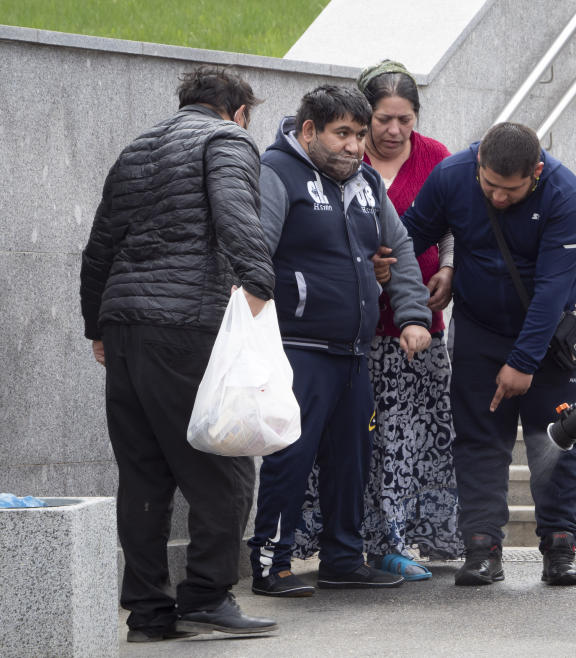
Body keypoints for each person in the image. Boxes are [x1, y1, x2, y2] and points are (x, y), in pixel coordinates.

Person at [79, 67, 278, 642]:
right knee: (226, 461)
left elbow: (99, 247)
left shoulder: (137, 148)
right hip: (184, 325)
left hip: (125, 327)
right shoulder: (227, 140)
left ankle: (147, 613)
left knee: (144, 476)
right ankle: (207, 596)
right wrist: (259, 284)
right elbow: (236, 212)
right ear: (239, 111)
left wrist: (98, 323)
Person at [247, 85, 433, 596]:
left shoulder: (367, 180)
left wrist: (414, 314)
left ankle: (343, 560)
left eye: (358, 134)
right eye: (342, 134)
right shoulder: (276, 173)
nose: (355, 146)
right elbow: (254, 253)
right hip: (298, 350)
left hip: (354, 351)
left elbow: (399, 247)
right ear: (310, 132)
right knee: (291, 458)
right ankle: (271, 564)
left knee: (352, 458)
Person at [292, 61, 462, 582]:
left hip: (417, 329)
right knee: (355, 442)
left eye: (404, 120)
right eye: (383, 119)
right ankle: (342, 543)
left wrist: (450, 267)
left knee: (408, 440)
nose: (392, 132)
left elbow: (454, 224)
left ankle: (394, 541)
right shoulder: (342, 155)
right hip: (357, 330)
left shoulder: (436, 158)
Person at [402, 122, 576, 587]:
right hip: (481, 330)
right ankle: (482, 546)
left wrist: (524, 362)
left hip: (550, 331)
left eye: (511, 190)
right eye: (490, 186)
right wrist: (424, 274)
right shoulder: (454, 175)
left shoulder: (566, 196)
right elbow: (411, 236)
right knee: (479, 438)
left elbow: (551, 290)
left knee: (558, 437)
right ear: (479, 165)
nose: (498, 197)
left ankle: (560, 545)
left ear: (537, 173)